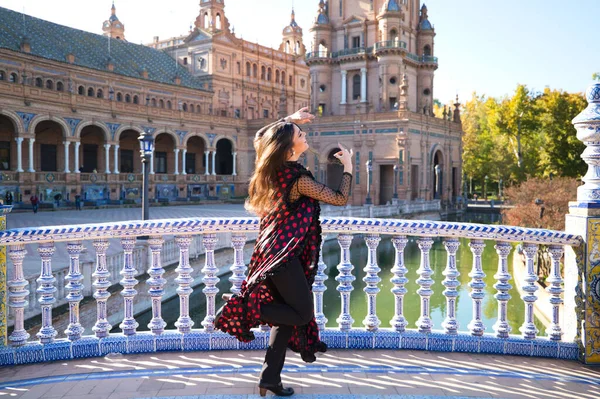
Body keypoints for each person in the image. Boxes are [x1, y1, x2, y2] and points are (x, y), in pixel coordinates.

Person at [215, 107, 353, 397]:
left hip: (272, 250)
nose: (305, 135)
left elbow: (259, 137)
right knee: (302, 314)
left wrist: (289, 120)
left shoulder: (274, 170)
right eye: (300, 134)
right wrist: (349, 166)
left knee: (286, 317)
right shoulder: (297, 179)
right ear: (291, 147)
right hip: (283, 257)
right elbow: (339, 199)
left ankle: (269, 379)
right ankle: (241, 305)